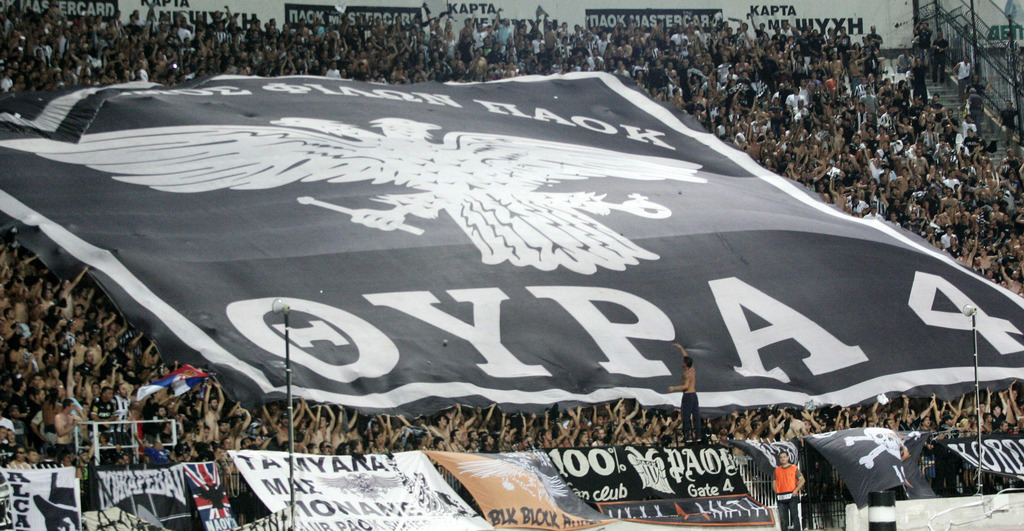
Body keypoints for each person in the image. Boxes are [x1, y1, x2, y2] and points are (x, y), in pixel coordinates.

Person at [668, 343, 700, 443]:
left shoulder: (686, 374)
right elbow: (686, 357)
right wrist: (681, 348)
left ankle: (688, 436)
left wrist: (673, 388)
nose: (681, 362)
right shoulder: (692, 369)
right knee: (696, 416)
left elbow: (686, 386)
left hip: (688, 396)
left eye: (682, 362)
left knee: (686, 416)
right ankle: (698, 435)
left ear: (685, 364)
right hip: (694, 395)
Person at [774, 451, 805, 531]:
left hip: (792, 495)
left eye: (784, 457)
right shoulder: (777, 470)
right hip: (781, 496)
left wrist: (796, 490)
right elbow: (774, 482)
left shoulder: (794, 468)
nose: (783, 459)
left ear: (788, 458)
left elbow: (802, 480)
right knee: (783, 519)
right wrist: (777, 491)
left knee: (795, 517)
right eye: (781, 457)